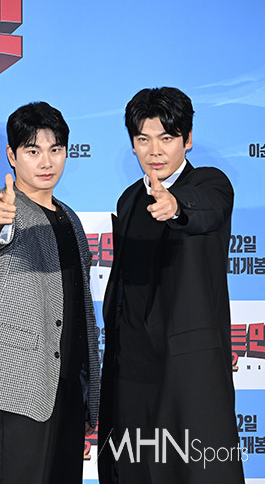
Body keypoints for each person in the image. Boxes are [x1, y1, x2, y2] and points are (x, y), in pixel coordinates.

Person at [98, 87, 244, 483]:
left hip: (186, 368)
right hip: (130, 369)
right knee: (132, 471)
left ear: (187, 139)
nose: (155, 151)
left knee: (193, 472)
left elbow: (207, 209)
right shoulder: (130, 198)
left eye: (166, 137)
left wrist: (176, 207)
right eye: (143, 139)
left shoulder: (210, 184)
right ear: (133, 144)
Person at [0, 102, 100, 484]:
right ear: (12, 155)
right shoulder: (0, 203)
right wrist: (0, 222)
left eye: (55, 149)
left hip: (68, 385)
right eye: (33, 150)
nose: (46, 161)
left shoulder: (70, 217)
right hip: (18, 383)